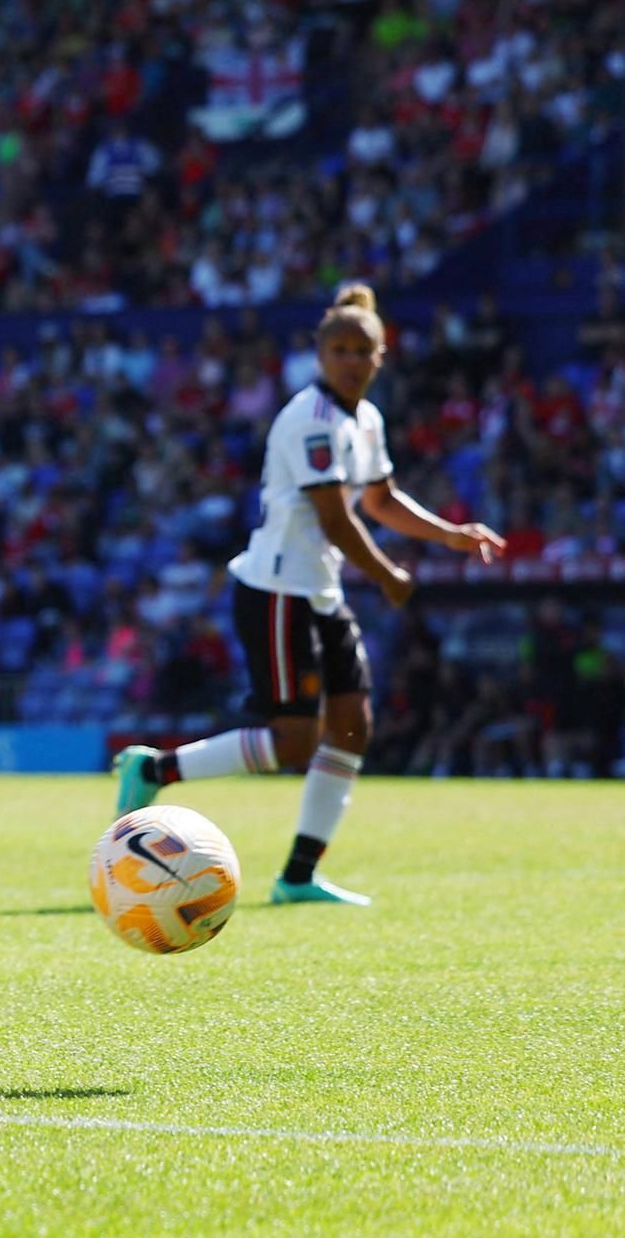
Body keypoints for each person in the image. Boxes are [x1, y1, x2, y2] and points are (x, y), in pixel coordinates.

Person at [112, 285, 506, 904]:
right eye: (340, 349)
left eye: (363, 350)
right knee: (295, 739)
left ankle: (299, 874)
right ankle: (155, 769)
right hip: (276, 591)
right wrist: (384, 574)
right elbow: (335, 518)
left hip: (317, 590)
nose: (351, 360)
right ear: (321, 355)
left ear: (381, 357)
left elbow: (379, 500)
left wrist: (451, 535)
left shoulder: (366, 420)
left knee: (352, 727)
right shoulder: (309, 420)